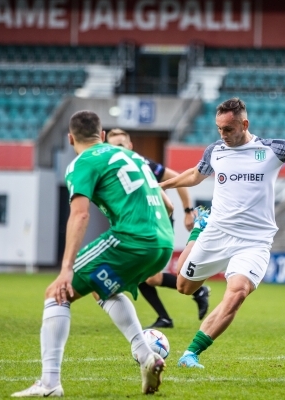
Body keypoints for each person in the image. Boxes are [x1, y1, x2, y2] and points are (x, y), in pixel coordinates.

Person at [160, 97, 285, 369]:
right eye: (219, 129)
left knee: (237, 292)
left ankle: (191, 353)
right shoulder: (216, 151)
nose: (223, 134)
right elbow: (195, 175)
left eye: (229, 129)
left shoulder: (270, 149)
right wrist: (163, 185)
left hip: (254, 241)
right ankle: (198, 230)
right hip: (216, 232)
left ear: (244, 124)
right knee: (183, 287)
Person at [11, 111, 174, 397]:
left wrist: (66, 268)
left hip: (133, 239)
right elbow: (169, 207)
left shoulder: (82, 162)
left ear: (70, 138)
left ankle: (49, 384)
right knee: (102, 290)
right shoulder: (135, 158)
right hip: (164, 241)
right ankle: (146, 356)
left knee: (56, 293)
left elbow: (80, 215)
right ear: (102, 135)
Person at [105, 128, 211, 328]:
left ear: (130, 146)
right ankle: (166, 316)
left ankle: (195, 293)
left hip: (157, 221)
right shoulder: (113, 169)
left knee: (146, 276)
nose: (116, 150)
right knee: (143, 277)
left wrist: (188, 210)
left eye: (120, 145)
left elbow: (178, 179)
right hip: (139, 225)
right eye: (112, 147)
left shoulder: (141, 164)